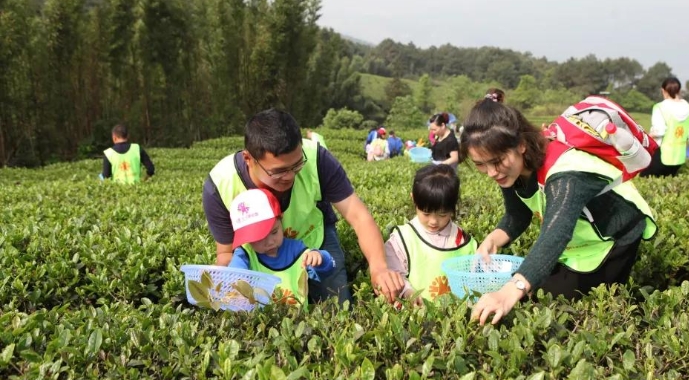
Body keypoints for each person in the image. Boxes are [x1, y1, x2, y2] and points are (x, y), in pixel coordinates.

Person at [459, 100, 657, 325]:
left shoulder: (564, 175)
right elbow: (517, 215)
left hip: (613, 238)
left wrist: (509, 292)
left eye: (497, 161)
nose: (491, 172)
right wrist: (492, 241)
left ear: (521, 145)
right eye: (480, 164)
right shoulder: (511, 171)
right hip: (579, 240)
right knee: (529, 291)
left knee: (547, 309)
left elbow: (556, 235)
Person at [203, 109, 404, 304]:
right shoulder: (221, 184)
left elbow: (359, 217)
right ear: (249, 159)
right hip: (258, 253)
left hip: (314, 239)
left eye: (297, 165)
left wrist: (378, 268)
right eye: (279, 171)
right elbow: (226, 253)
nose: (290, 176)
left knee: (336, 303)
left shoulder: (318, 159)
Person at [227, 188, 336, 307]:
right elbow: (234, 275)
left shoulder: (295, 250)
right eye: (258, 238)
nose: (270, 242)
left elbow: (327, 268)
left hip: (298, 320)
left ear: (281, 220)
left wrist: (319, 257)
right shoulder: (244, 253)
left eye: (274, 232)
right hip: (260, 321)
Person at [384, 164, 476, 302]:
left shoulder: (462, 240)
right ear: (414, 199)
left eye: (443, 214)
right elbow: (394, 275)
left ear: (453, 207)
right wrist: (408, 292)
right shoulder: (402, 238)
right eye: (426, 213)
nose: (433, 221)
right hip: (415, 317)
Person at [640, 77, 689, 177]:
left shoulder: (660, 107)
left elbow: (659, 131)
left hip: (663, 156)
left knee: (643, 177)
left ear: (663, 91)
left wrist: (645, 137)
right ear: (680, 90)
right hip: (679, 158)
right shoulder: (688, 107)